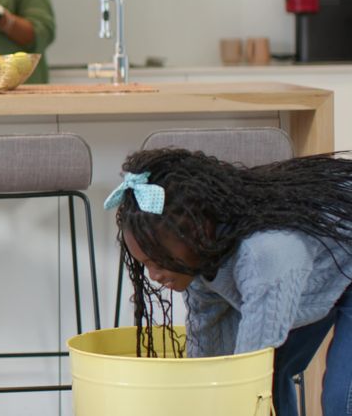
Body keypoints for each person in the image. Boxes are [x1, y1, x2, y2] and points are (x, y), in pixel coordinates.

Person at [105, 148, 352, 415]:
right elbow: (209, 354)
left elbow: (248, 370)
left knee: (341, 400)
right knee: (271, 373)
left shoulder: (264, 256)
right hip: (326, 259)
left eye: (161, 261)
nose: (154, 275)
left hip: (332, 248)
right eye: (146, 264)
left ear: (199, 230)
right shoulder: (200, 258)